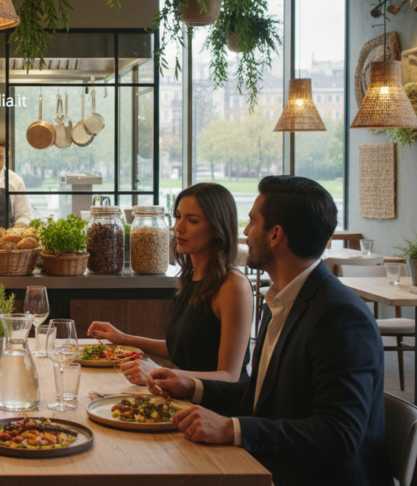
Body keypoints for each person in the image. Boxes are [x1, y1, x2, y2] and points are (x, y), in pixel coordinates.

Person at [147, 176, 391, 486]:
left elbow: (339, 434)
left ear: (275, 235)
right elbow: (262, 397)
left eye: (252, 222)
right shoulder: (281, 299)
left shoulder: (338, 315)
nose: (245, 232)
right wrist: (192, 386)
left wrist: (233, 429)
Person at [88, 182, 252, 385]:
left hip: (217, 409)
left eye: (192, 220)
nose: (178, 228)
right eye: (177, 216)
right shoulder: (192, 277)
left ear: (218, 229)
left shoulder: (233, 285)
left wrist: (159, 371)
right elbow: (184, 347)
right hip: (185, 399)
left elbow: (229, 376)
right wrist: (124, 339)